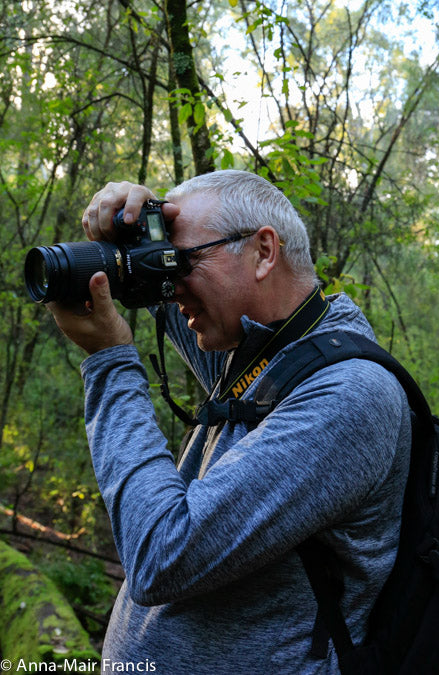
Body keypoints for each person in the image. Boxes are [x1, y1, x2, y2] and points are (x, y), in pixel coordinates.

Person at [49, 170, 411, 674]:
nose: (172, 283)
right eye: (166, 262)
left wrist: (111, 361)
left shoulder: (349, 395)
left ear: (264, 252)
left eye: (185, 260)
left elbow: (162, 554)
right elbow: (156, 285)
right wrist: (126, 230)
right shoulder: (258, 347)